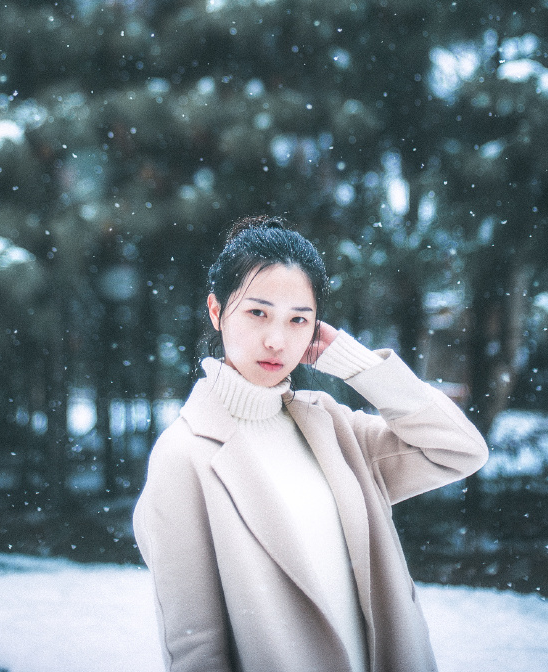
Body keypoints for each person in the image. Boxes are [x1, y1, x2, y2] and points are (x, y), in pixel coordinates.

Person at [133, 216, 488, 672]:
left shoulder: (333, 429)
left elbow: (459, 449)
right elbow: (195, 645)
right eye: (257, 313)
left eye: (298, 319)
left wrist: (357, 365)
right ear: (216, 311)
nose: (277, 340)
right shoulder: (184, 455)